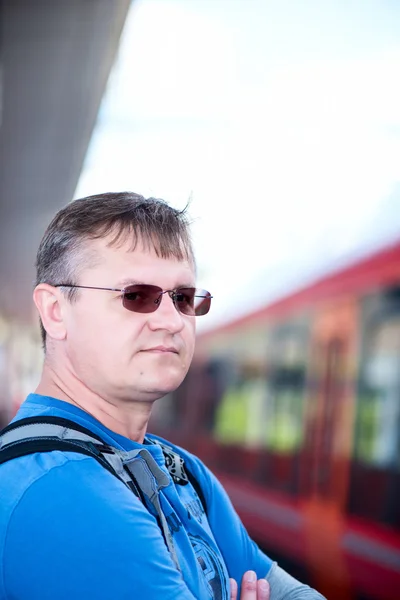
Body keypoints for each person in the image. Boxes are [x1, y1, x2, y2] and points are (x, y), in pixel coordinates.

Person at [0, 192, 325, 600]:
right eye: (136, 296)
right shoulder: (57, 490)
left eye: (184, 298)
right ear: (55, 311)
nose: (172, 321)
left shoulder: (183, 473)